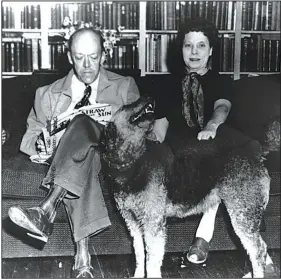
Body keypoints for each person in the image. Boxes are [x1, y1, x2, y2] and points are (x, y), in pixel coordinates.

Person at [7, 27, 142, 278]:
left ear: (104, 55)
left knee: (81, 122)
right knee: (82, 157)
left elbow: (141, 131)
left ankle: (47, 208)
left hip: (111, 157)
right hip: (75, 161)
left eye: (94, 56)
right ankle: (83, 257)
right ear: (70, 57)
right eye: (80, 57)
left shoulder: (125, 87)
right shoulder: (46, 94)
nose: (87, 65)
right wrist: (42, 144)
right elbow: (28, 137)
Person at [150, 18, 265, 265]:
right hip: (181, 145)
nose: (193, 52)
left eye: (201, 46)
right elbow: (161, 126)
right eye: (188, 45)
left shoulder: (220, 80)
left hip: (215, 138)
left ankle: (203, 236)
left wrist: (211, 125)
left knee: (225, 158)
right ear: (180, 49)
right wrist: (150, 146)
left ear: (211, 50)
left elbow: (222, 107)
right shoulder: (168, 84)